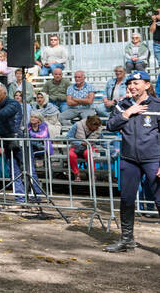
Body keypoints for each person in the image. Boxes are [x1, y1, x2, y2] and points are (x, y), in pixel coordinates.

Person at [103, 71, 160, 252]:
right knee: (127, 200)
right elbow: (110, 125)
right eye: (130, 84)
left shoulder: (157, 105)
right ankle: (127, 240)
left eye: (136, 83)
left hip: (153, 160)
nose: (132, 86)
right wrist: (127, 113)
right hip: (129, 160)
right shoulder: (122, 105)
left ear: (147, 85)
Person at [0, 83, 26, 201]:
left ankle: (34, 196)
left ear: (4, 93)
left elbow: (3, 114)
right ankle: (20, 197)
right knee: (14, 169)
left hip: (17, 139)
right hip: (6, 140)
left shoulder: (13, 103)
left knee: (28, 168)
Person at [66, 114, 105, 182]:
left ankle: (92, 174)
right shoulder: (77, 125)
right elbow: (68, 137)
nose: (97, 128)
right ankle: (76, 174)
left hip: (90, 147)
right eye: (95, 127)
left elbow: (102, 141)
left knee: (89, 153)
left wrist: (109, 149)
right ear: (90, 124)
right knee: (71, 154)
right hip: (76, 146)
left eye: (98, 127)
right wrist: (80, 142)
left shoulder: (99, 128)